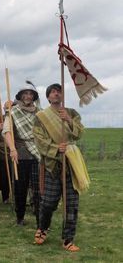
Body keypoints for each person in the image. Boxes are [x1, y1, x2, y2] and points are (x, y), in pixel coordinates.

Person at [33, 83, 90, 252]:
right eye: (53, 92)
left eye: (59, 91)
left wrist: (69, 120)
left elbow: (79, 134)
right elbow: (39, 138)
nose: (56, 94)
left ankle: (68, 239)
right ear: (48, 97)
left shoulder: (71, 113)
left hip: (71, 164)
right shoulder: (41, 116)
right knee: (49, 202)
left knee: (71, 204)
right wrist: (56, 148)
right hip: (53, 164)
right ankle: (43, 228)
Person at [3, 83, 41, 226]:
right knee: (20, 187)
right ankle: (20, 217)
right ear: (20, 96)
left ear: (33, 97)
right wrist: (12, 149)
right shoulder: (13, 112)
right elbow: (6, 132)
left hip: (37, 153)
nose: (27, 96)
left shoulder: (39, 112)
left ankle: (40, 220)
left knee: (38, 188)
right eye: (24, 94)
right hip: (20, 153)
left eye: (30, 94)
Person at [0, 101, 13, 203]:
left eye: (10, 107)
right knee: (4, 177)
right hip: (2, 154)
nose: (8, 110)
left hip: (14, 152)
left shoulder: (15, 118)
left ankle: (16, 196)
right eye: (6, 108)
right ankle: (5, 197)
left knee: (15, 176)